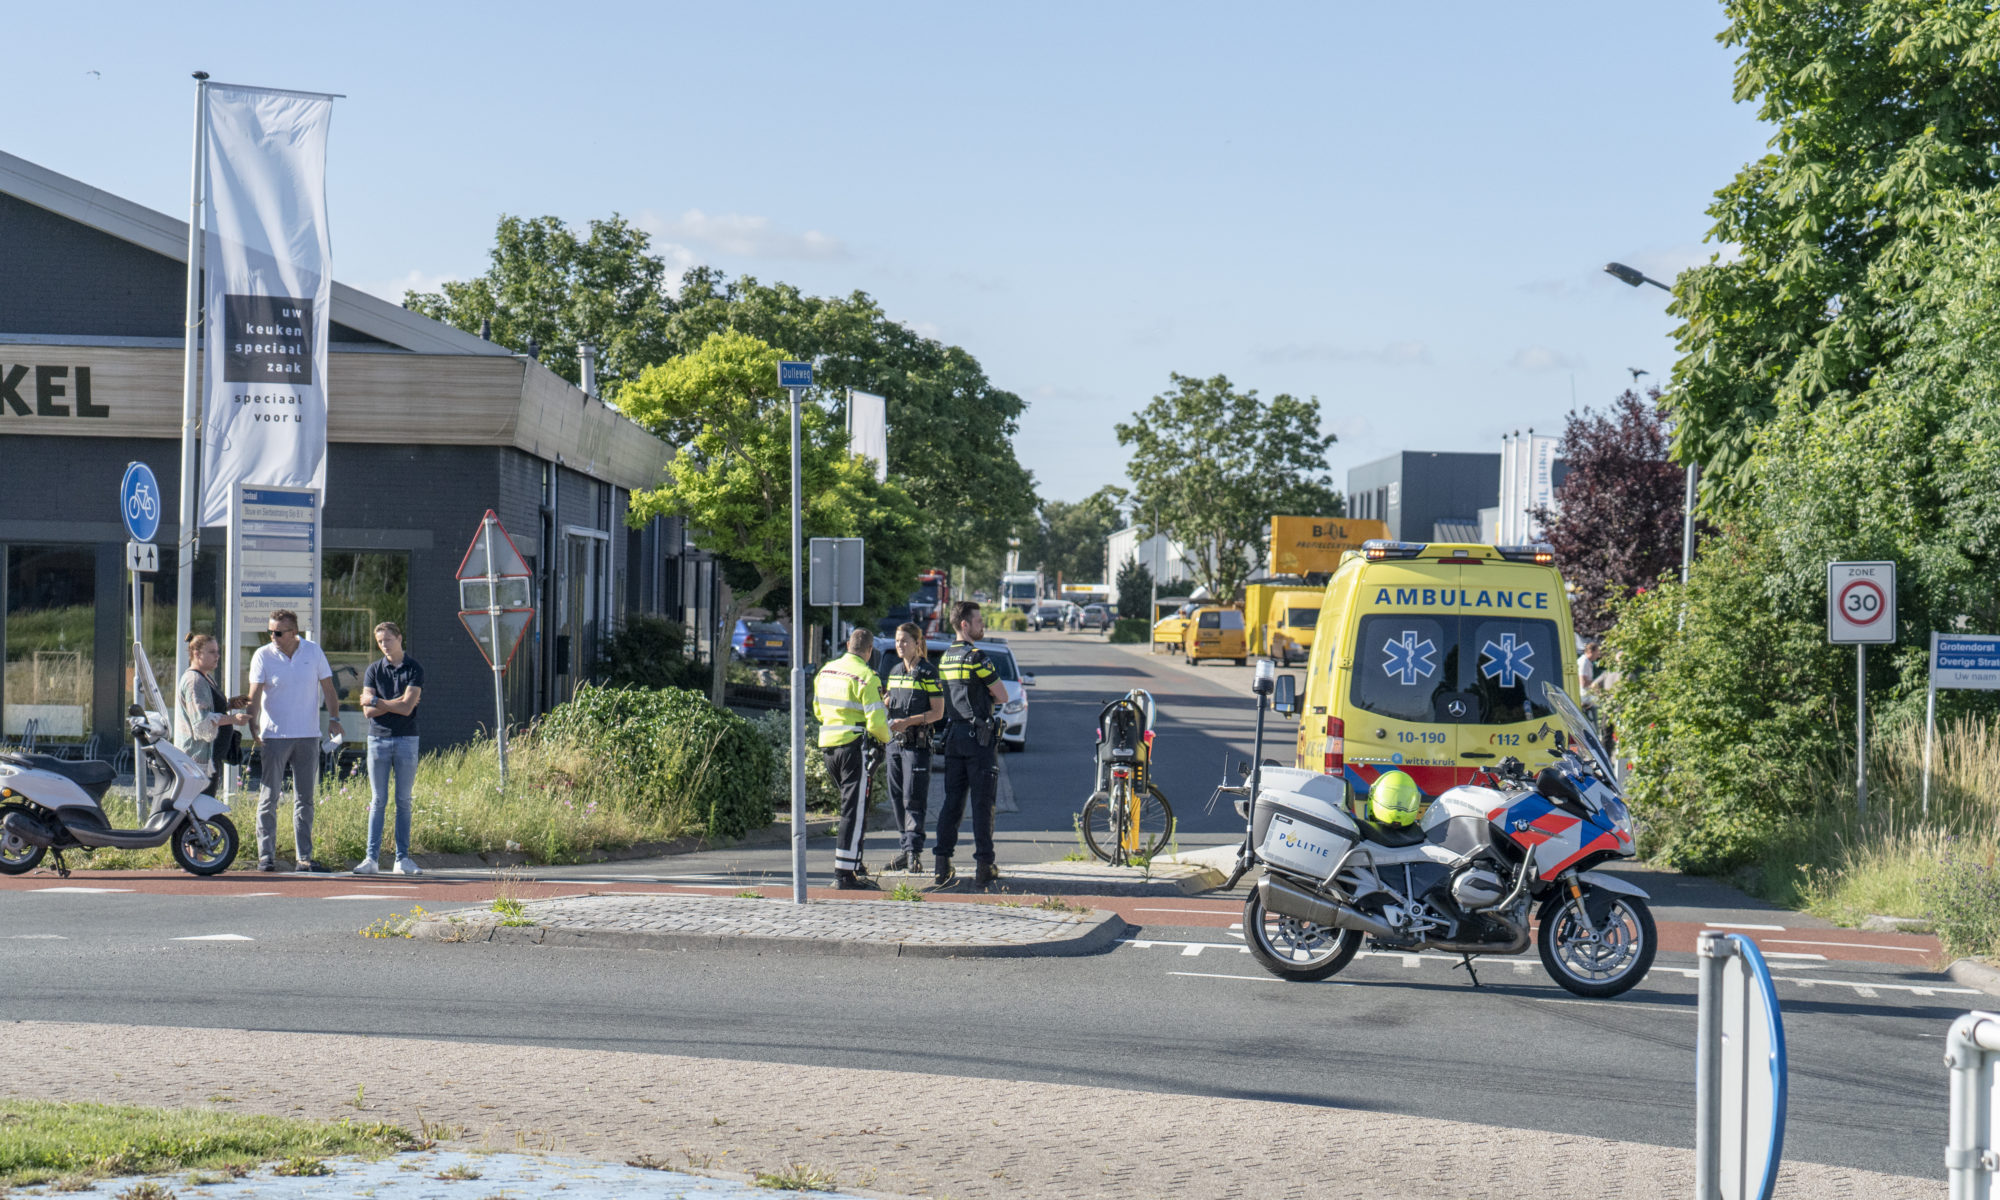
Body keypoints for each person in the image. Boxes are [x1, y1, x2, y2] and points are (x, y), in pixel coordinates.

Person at [245, 609, 342, 873]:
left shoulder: (313, 652)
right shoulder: (263, 655)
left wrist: (334, 719)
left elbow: (329, 688)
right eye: (270, 631)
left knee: (305, 799)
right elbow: (254, 695)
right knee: (268, 797)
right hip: (274, 736)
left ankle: (305, 858)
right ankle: (266, 856)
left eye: (278, 632)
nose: (272, 636)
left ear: (293, 633)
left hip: (308, 735)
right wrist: (252, 725)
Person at [934, 600, 1010, 890]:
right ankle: (984, 865)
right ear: (964, 624)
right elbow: (1002, 695)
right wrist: (987, 699)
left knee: (952, 803)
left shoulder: (945, 658)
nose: (982, 625)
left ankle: (942, 864)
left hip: (953, 738)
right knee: (982, 804)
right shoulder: (977, 657)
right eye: (978, 621)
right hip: (979, 740)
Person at [813, 626, 891, 889]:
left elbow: (817, 710)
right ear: (869, 651)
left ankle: (854, 864)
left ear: (848, 645)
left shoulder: (826, 671)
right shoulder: (867, 677)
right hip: (853, 748)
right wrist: (887, 740)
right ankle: (844, 875)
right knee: (853, 811)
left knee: (853, 807)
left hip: (828, 747)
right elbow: (877, 723)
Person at [355, 621, 424, 877]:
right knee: (378, 799)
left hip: (407, 739)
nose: (384, 645)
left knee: (403, 800)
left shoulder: (414, 668)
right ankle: (371, 858)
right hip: (378, 739)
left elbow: (407, 708)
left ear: (399, 638)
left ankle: (402, 859)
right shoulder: (374, 670)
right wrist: (387, 703)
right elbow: (367, 711)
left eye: (388, 640)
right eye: (380, 642)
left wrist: (377, 700)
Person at [882, 622, 944, 874]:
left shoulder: (929, 673)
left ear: (917, 644)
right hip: (894, 745)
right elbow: (890, 701)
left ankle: (914, 853)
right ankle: (904, 848)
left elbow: (938, 713)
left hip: (916, 744)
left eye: (904, 641)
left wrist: (908, 721)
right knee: (897, 798)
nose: (899, 645)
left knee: (913, 798)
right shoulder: (895, 670)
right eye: (897, 641)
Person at [173, 633, 248, 800]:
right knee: (199, 808)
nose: (217, 656)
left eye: (218, 652)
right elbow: (201, 723)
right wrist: (233, 720)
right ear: (197, 654)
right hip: (198, 760)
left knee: (203, 806)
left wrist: (230, 704)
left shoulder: (205, 678)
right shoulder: (195, 681)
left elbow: (210, 708)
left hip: (209, 759)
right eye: (212, 652)